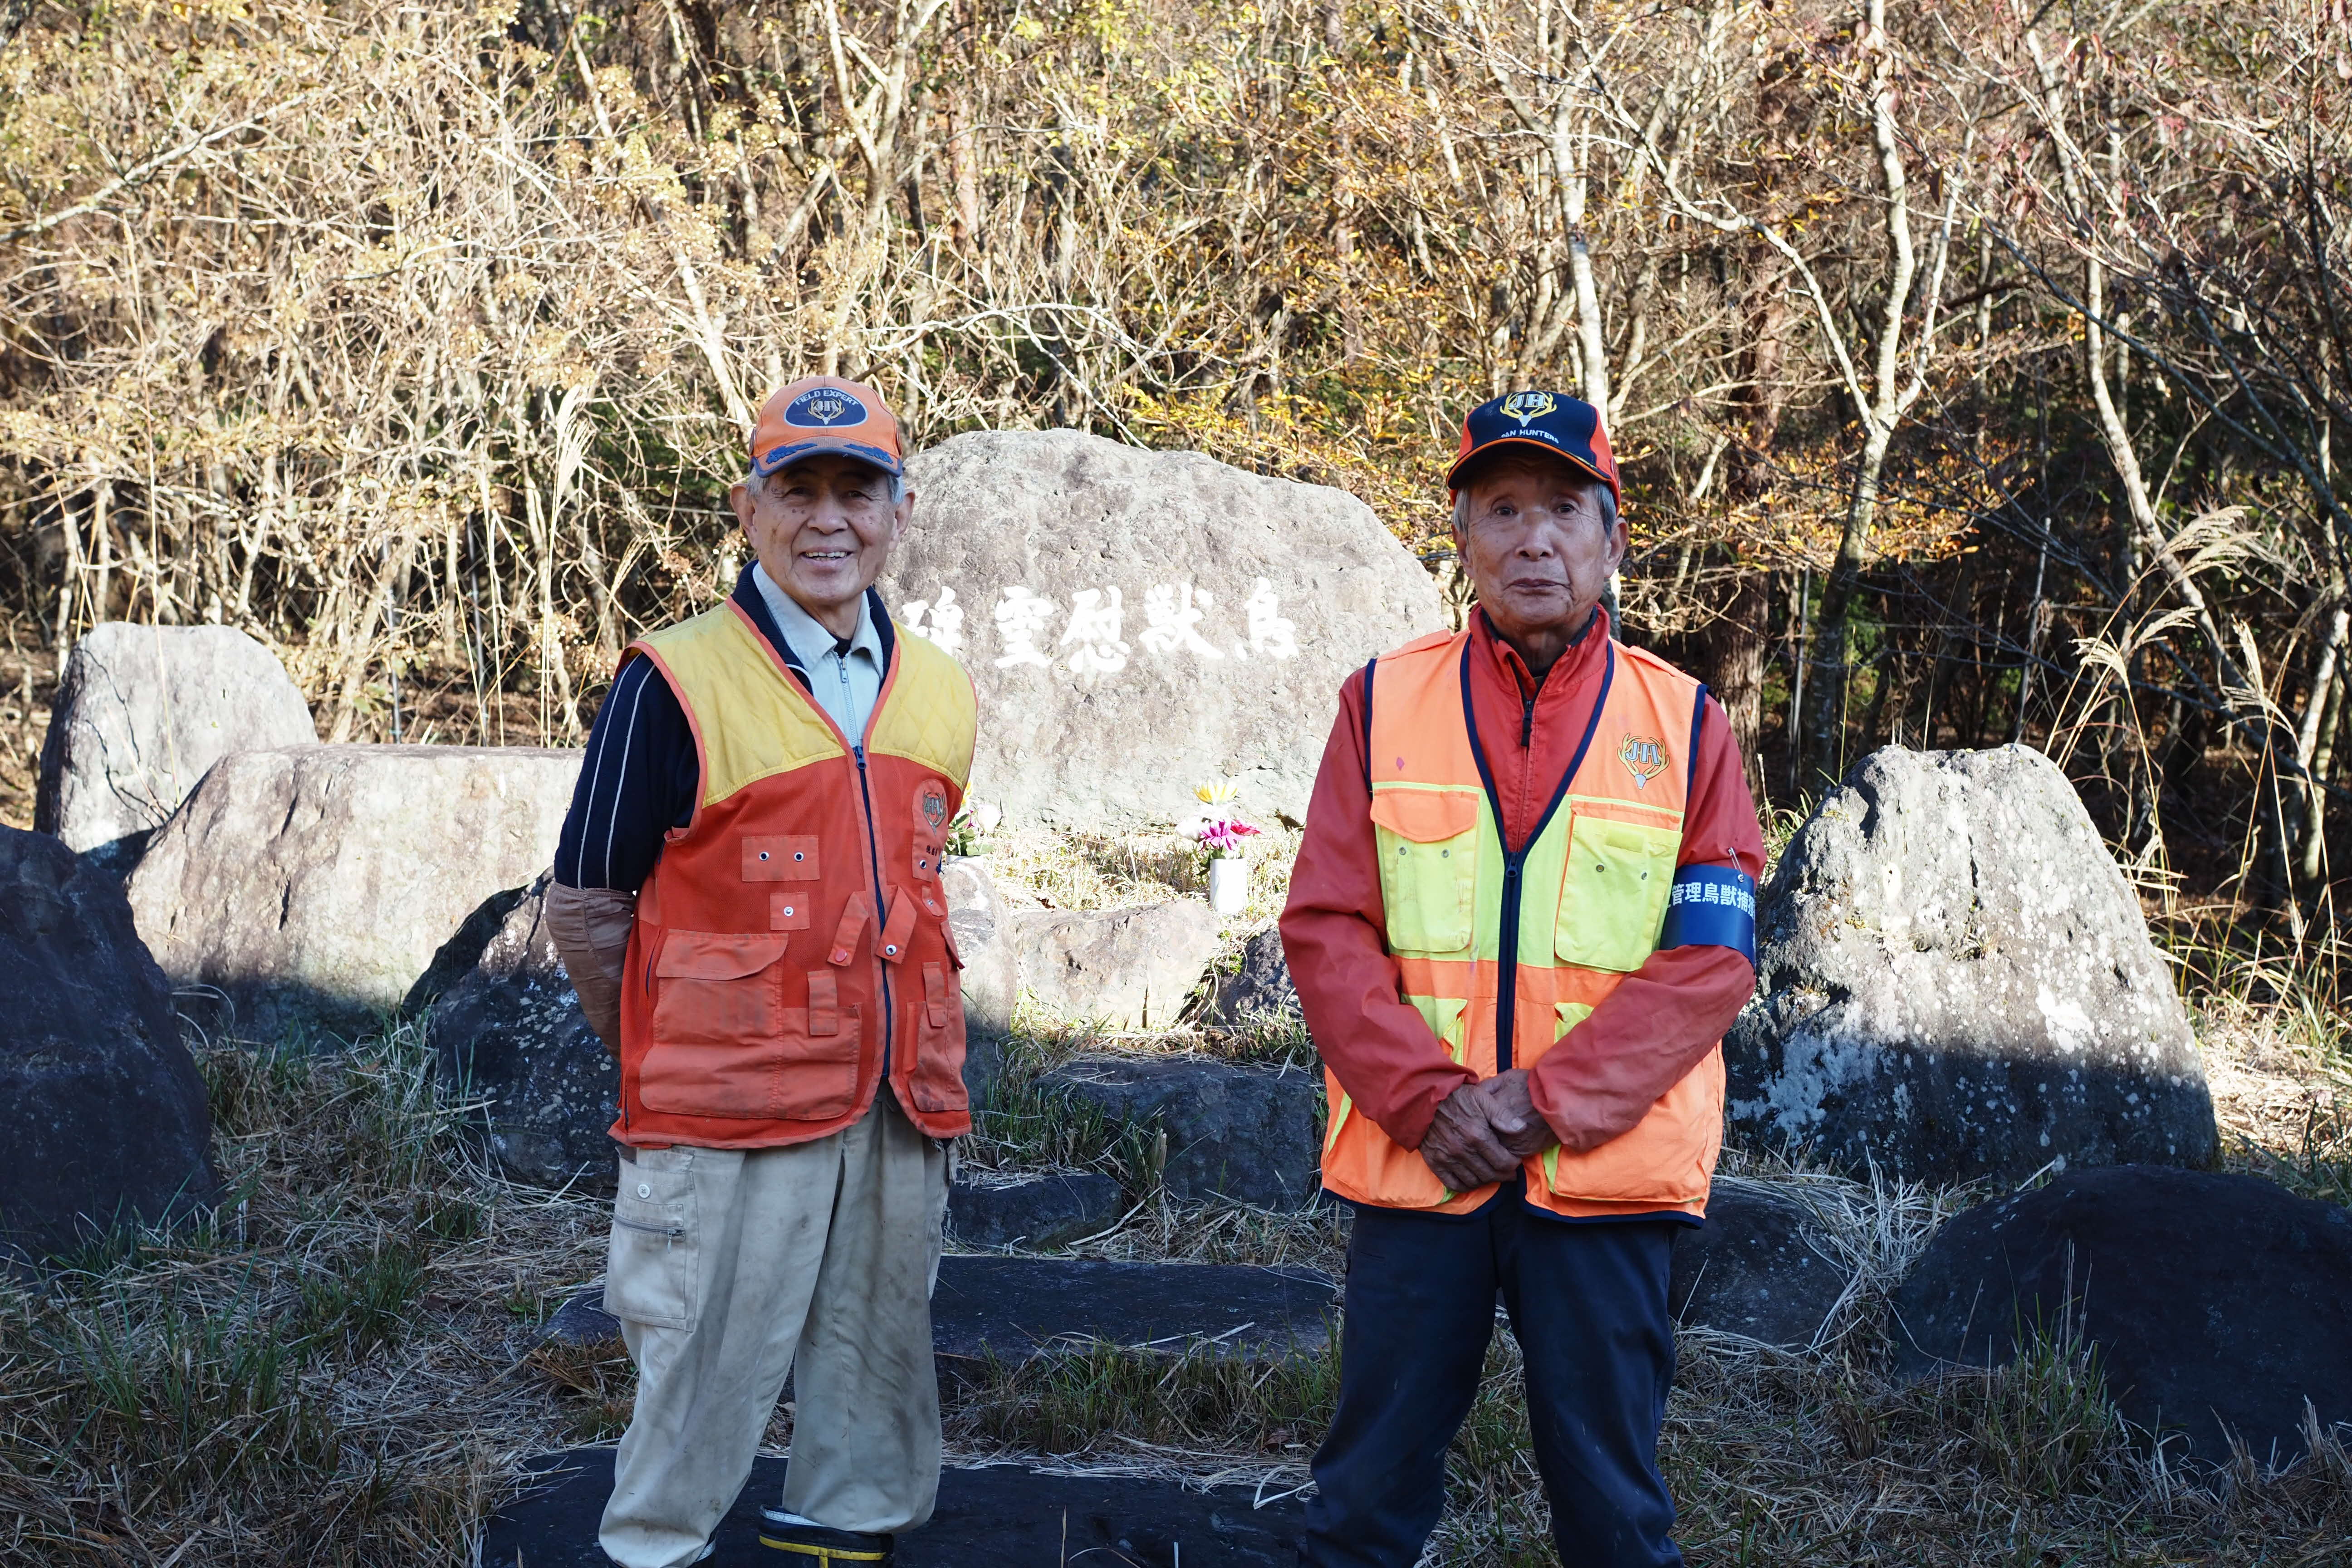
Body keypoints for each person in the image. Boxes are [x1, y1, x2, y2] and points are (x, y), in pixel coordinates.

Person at [1281, 391, 1765, 1568]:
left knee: (1614, 1511)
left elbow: (1710, 962)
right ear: (1460, 534)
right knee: (1364, 1498)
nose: (1533, 539)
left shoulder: (1689, 724)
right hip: (1419, 1168)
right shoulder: (1380, 703)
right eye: (1502, 509)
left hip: (1598, 1179)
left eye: (1562, 509)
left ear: (1613, 538)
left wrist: (1538, 1107)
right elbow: (1328, 927)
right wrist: (1435, 1103)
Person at [543, 375, 977, 1568]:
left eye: (857, 491)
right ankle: (655, 1552)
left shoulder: (939, 689)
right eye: (799, 491)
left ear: (898, 513)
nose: (828, 520)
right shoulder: (672, 680)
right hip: (724, 1113)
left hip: (895, 1101)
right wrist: (665, 1053)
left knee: (876, 1365)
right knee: (701, 1370)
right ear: (749, 509)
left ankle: (845, 1534)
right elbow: (586, 902)